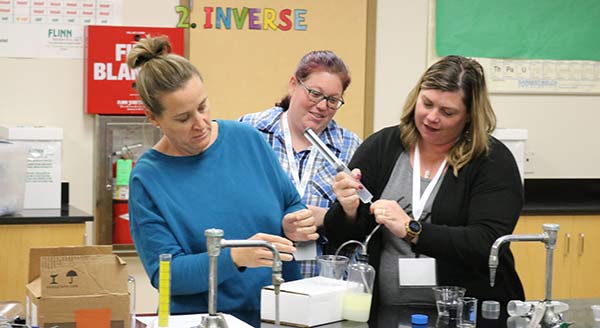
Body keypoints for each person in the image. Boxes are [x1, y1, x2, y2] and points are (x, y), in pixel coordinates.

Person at [126, 36, 319, 315]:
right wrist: (235, 257)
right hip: (204, 318)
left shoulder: (247, 139)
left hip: (278, 313)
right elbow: (166, 275)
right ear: (153, 118)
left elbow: (291, 203)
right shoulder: (148, 178)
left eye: (203, 106)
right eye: (183, 118)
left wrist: (294, 223)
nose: (200, 123)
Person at [324, 56, 525, 314]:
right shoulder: (382, 146)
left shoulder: (492, 160)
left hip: (465, 313)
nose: (431, 117)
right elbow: (344, 236)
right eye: (426, 103)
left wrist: (412, 229)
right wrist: (348, 209)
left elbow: (486, 243)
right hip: (386, 311)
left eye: (447, 112)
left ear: (469, 117)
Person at [239, 50, 362, 278]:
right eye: (315, 93)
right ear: (293, 84)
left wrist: (327, 218)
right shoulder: (250, 131)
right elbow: (232, 207)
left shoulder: (350, 145)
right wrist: (280, 223)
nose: (322, 106)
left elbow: (359, 227)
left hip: (322, 284)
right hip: (258, 279)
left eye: (333, 100)